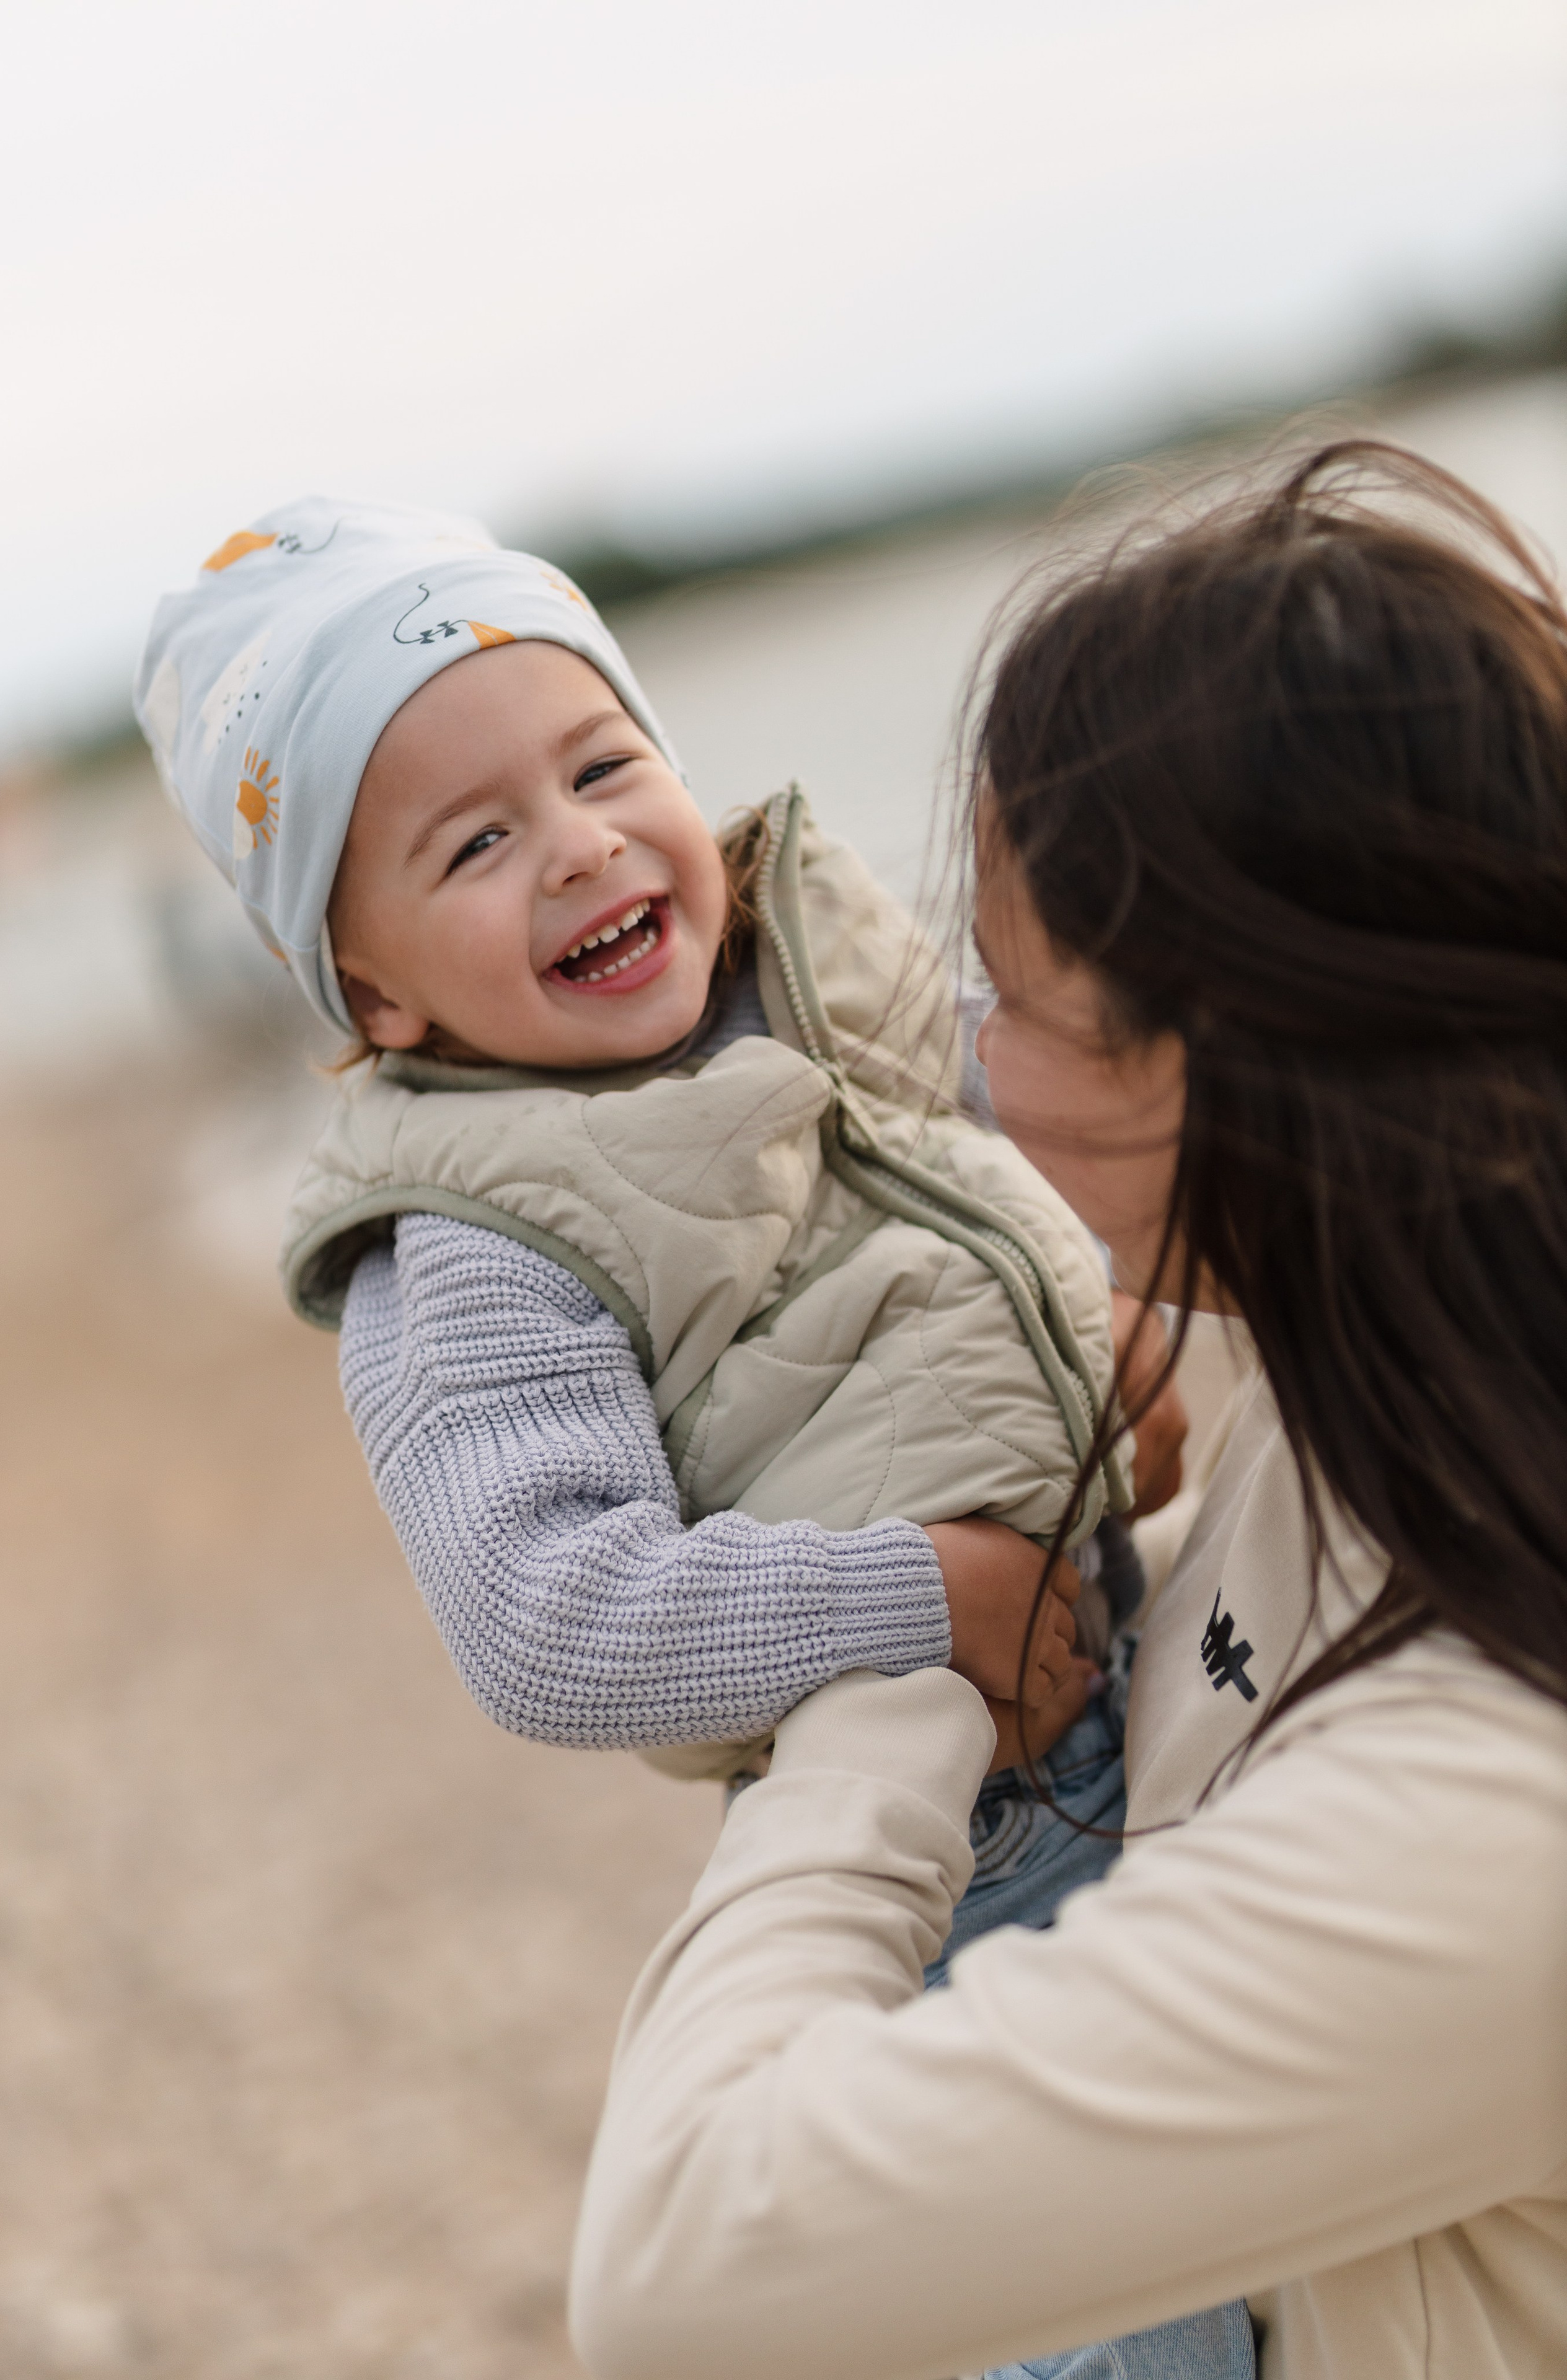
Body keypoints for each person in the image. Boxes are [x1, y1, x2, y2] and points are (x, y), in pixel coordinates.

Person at [138, 504, 1245, 2373]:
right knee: (1141, 2285)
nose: (575, 848)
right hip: (981, 1824)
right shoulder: (478, 1244)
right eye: (475, 844)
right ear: (378, 993)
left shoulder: (808, 981)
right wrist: (928, 1596)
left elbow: (1022, 1168)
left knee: (1329, 2156)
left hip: (1161, 1665)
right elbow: (552, 1618)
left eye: (599, 765)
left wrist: (1108, 1339)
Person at [568, 442, 1567, 2380]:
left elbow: (679, 2267)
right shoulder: (1401, 1385)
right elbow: (1250, 1645)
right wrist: (1079, 1521)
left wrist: (892, 1663)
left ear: (1229, 1062)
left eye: (1009, 996)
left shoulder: (1492, 1816)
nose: (971, 1069)